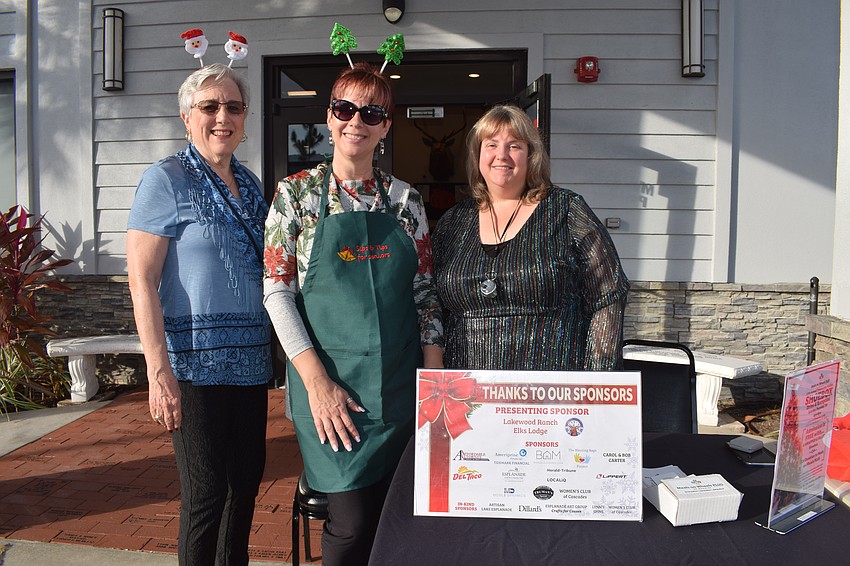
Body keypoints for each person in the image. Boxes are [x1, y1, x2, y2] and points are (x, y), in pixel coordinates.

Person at [263, 62, 443, 566]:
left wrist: (433, 383)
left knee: (394, 515)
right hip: (328, 391)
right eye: (345, 109)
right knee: (352, 521)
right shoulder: (294, 195)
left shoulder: (406, 201)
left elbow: (424, 293)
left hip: (397, 386)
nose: (355, 121)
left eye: (371, 112)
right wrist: (317, 384)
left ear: (386, 125)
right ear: (329, 116)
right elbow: (277, 294)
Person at [126, 63, 271, 566]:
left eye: (233, 107)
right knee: (206, 496)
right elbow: (141, 281)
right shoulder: (164, 180)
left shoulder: (252, 185)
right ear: (187, 116)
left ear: (245, 116)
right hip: (194, 367)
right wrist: (157, 370)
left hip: (251, 367)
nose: (222, 117)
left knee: (245, 488)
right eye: (209, 107)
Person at [432, 104, 629, 371]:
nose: (501, 155)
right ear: (477, 155)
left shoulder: (567, 210)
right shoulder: (452, 223)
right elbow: (431, 307)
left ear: (531, 155)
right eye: (491, 145)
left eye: (514, 146)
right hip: (470, 396)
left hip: (551, 396)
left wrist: (597, 378)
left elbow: (609, 294)